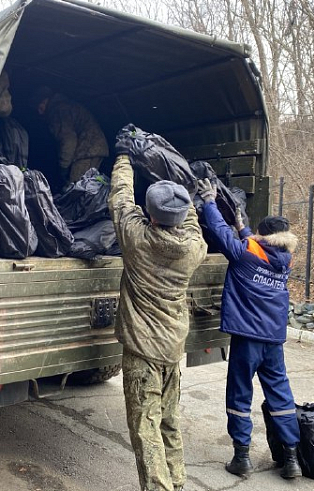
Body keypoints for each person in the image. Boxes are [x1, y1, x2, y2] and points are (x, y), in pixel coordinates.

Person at [109, 138, 207, 491]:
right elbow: (192, 221)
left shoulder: (137, 239)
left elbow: (120, 199)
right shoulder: (193, 249)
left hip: (142, 354)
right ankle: (177, 482)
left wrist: (124, 157)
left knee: (144, 430)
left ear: (150, 214)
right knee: (168, 421)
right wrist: (185, 187)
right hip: (171, 351)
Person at [197, 178, 302, 479]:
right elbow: (255, 247)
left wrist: (208, 202)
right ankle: (291, 458)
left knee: (240, 393)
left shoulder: (244, 255)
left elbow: (219, 233)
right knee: (280, 394)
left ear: (262, 236)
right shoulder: (285, 259)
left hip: (247, 339)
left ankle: (241, 456)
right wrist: (242, 226)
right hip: (273, 340)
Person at [31, 86, 109, 186]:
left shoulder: (57, 111)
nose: (40, 112)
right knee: (87, 187)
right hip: (94, 148)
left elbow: (68, 141)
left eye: (41, 107)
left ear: (47, 101)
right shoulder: (66, 106)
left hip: (87, 151)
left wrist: (63, 166)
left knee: (75, 188)